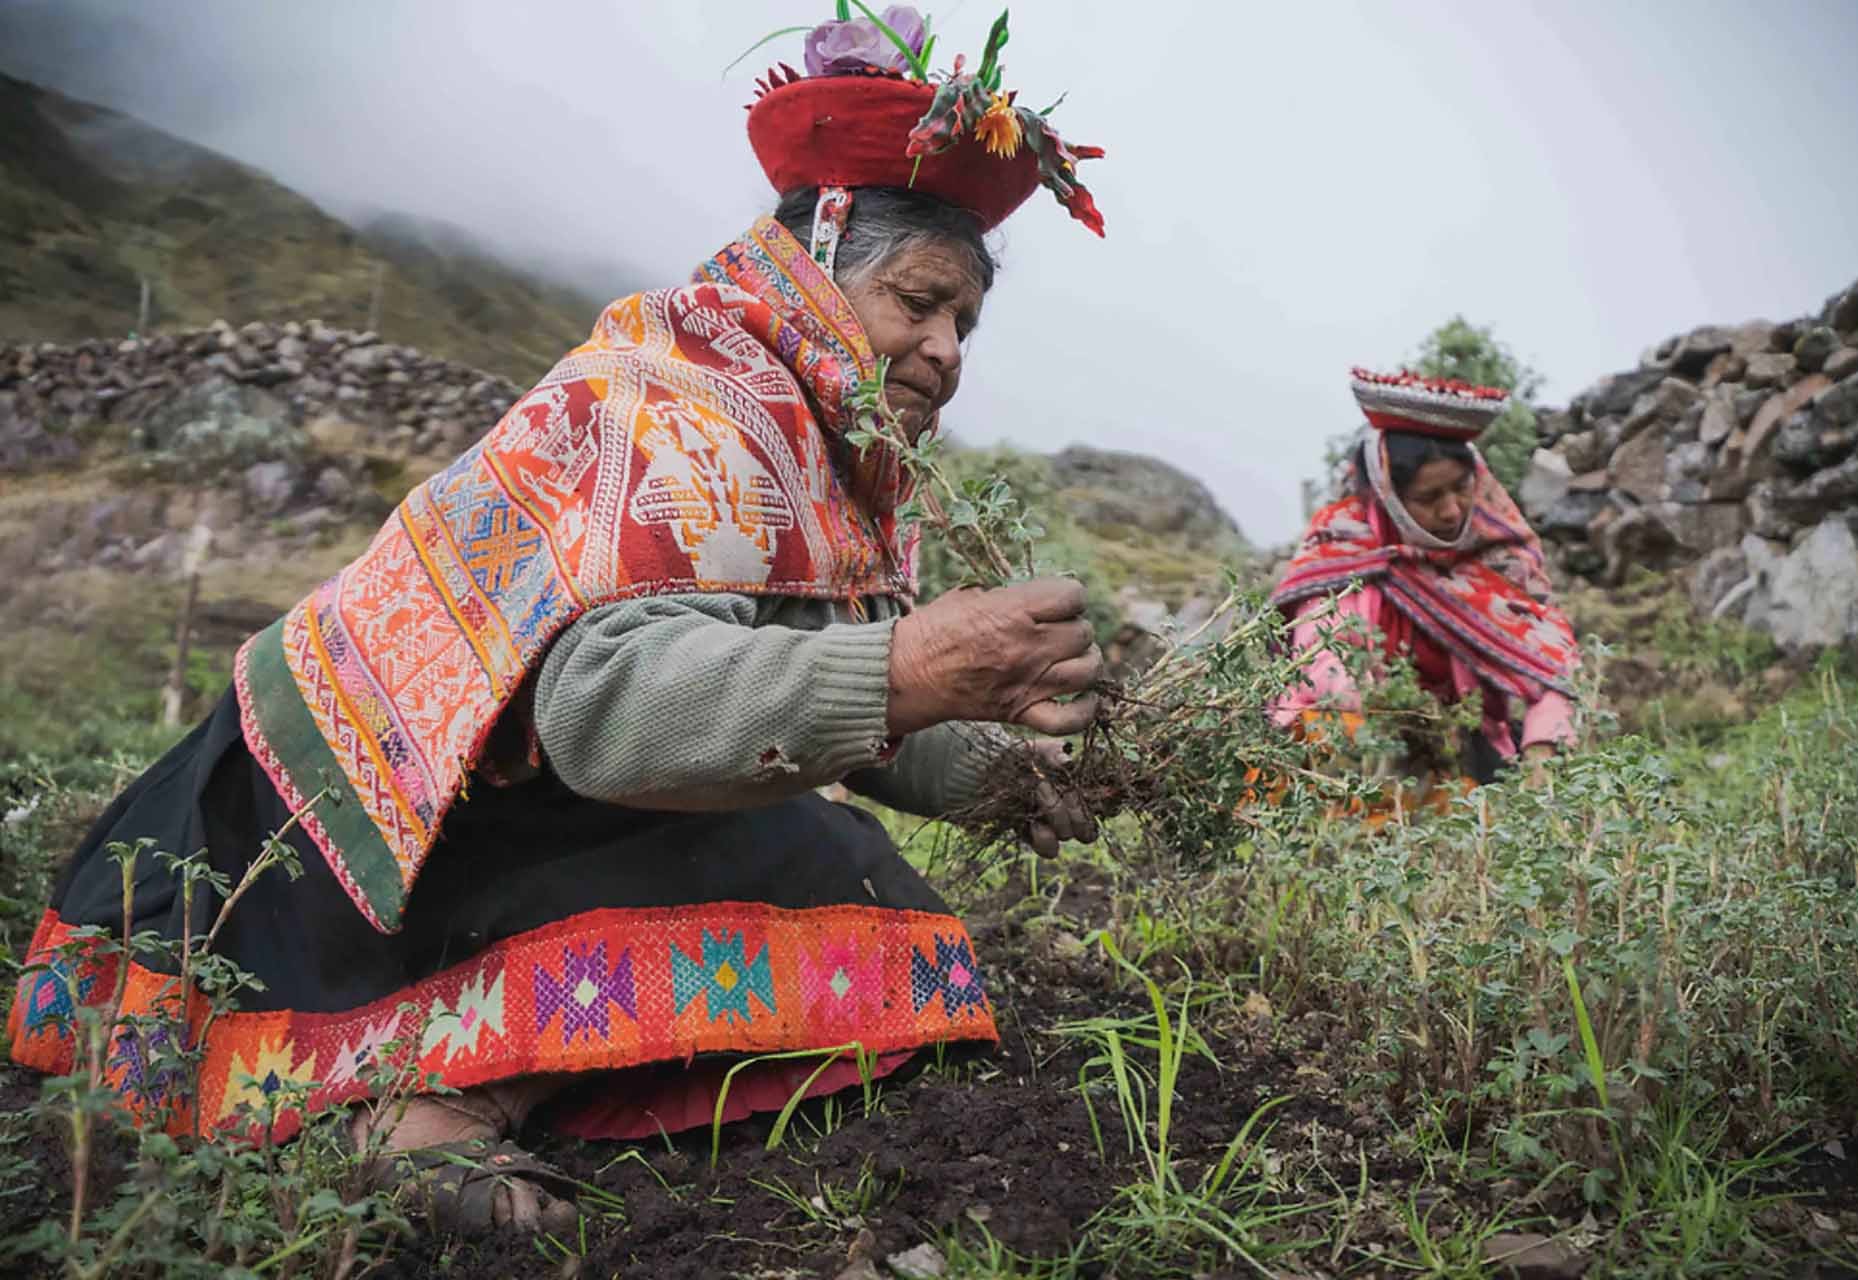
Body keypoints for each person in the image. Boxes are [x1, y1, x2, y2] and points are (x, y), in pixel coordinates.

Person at [8, 4, 1107, 1235]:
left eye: (966, 324)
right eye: (921, 302)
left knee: (872, 906)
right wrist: (912, 662)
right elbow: (610, 713)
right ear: (820, 260)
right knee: (817, 866)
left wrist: (1017, 771)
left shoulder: (821, 461)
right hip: (317, 838)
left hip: (487, 813)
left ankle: (479, 1057)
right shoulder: (675, 403)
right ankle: (406, 1096)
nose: (948, 350)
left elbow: (832, 691)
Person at [1263, 368, 1580, 811]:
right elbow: (1322, 666)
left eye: (1461, 489)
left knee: (1505, 805)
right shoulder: (1343, 546)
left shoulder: (1498, 557)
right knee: (1326, 752)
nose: (1452, 511)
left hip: (1459, 749)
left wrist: (1542, 752)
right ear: (1389, 497)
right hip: (1358, 739)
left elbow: (1553, 671)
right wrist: (1402, 717)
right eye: (1429, 498)